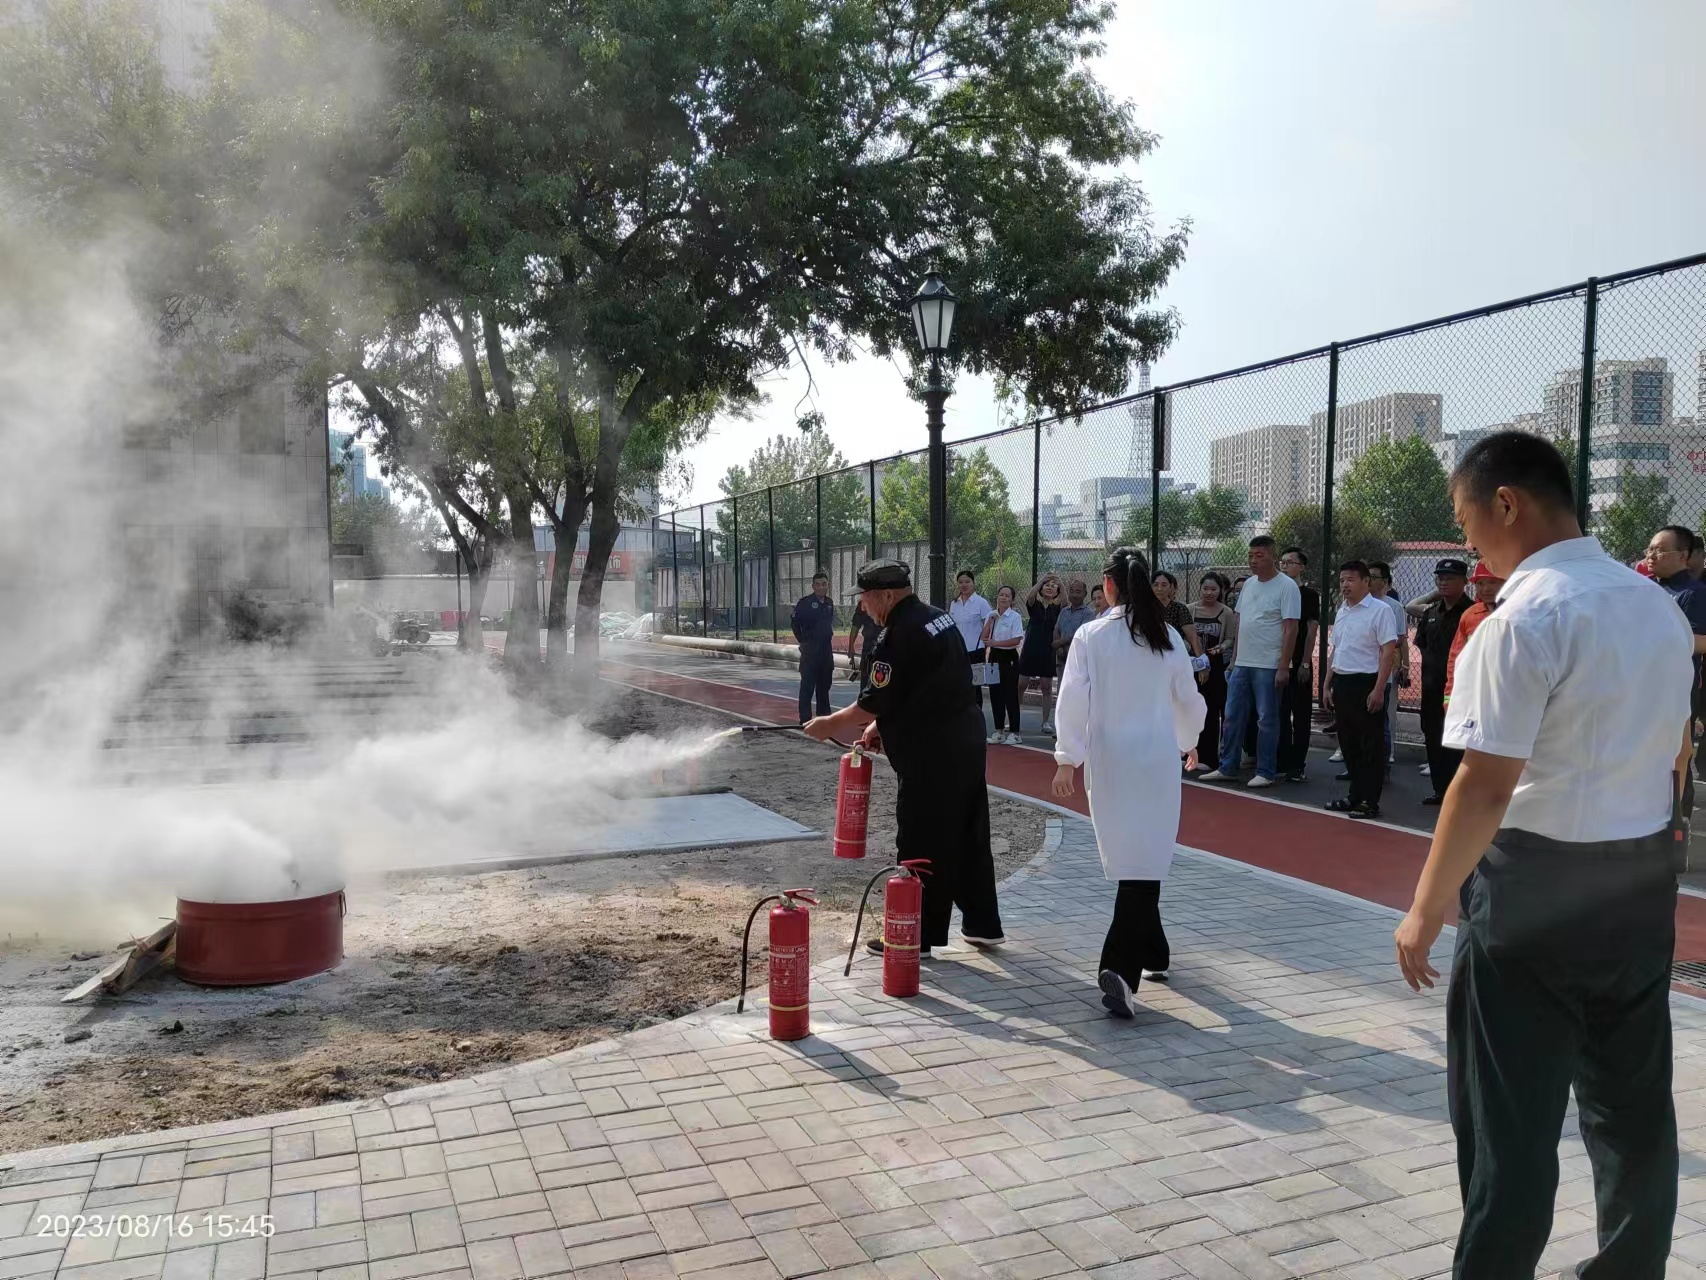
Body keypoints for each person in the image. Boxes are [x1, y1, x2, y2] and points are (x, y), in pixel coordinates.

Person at [1393, 431, 1694, 1280]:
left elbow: (1484, 787)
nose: (1469, 546)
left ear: (1506, 503)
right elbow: (1678, 750)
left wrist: (1425, 908)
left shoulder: (1524, 619)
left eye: (1466, 522)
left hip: (1533, 892)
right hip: (1640, 883)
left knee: (1510, 1127)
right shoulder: (1658, 611)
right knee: (1632, 1111)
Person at [803, 559, 1004, 955]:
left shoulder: (896, 635)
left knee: (920, 838)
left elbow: (871, 702)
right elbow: (924, 685)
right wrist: (882, 724)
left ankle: (916, 935)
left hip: (931, 754)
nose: (862, 606)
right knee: (968, 832)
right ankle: (983, 924)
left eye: (865, 597)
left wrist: (829, 724)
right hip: (965, 742)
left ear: (888, 595)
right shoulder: (938, 618)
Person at [1050, 547, 1205, 1018]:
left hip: (1110, 764)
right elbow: (1187, 700)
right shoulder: (1168, 636)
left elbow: (1071, 699)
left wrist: (1067, 759)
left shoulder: (1091, 636)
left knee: (1135, 862)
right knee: (1144, 860)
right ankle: (1147, 954)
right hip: (1157, 762)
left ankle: (1123, 967)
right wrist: (1188, 740)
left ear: (1108, 584)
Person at [1200, 536, 1300, 789]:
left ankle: (1265, 771)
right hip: (1243, 663)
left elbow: (1291, 629)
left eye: (1259, 555)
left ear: (1272, 557)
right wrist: (1234, 661)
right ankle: (1228, 766)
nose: (1253, 560)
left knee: (1267, 719)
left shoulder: (1287, 587)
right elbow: (1240, 623)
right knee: (1232, 716)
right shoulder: (1249, 586)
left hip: (1269, 664)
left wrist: (1283, 666)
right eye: (1250, 555)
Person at [1321, 561, 1399, 820]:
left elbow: (1388, 652)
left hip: (1366, 683)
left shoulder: (1381, 610)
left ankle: (1369, 800)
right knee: (1349, 743)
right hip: (1342, 682)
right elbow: (1336, 649)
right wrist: (1327, 684)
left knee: (1370, 745)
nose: (1345, 585)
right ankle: (1354, 795)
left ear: (1366, 582)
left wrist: (1378, 689)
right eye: (1342, 580)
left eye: (1351, 580)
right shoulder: (1342, 610)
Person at [1646, 525, 1706, 812]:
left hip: (1677, 688)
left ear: (1683, 555)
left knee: (1677, 754)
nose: (1651, 555)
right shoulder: (1647, 589)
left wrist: (1652, 639)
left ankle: (1679, 820)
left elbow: (1702, 641)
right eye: (1650, 549)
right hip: (1644, 685)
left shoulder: (1694, 593)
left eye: (1659, 550)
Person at [1433, 560, 1504, 798]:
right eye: (1480, 583)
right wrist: (1450, 697)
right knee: (1474, 752)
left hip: (1506, 698)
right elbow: (1456, 659)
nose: (1485, 589)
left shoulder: (1518, 612)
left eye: (1492, 583)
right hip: (1476, 698)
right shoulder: (1470, 615)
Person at [1407, 559, 1472, 806]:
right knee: (1434, 737)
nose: (1443, 583)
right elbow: (1423, 646)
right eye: (1440, 578)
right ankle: (1441, 790)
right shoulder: (1431, 613)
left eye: (1450, 578)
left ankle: (1460, 794)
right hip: (1432, 688)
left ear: (1465, 582)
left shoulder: (1473, 613)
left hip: (1461, 691)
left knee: (1459, 742)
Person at [1276, 548, 1321, 783]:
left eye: (1290, 562)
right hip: (1277, 661)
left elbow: (1312, 630)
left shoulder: (1309, 595)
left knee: (1301, 714)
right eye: (1282, 562)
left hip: (1299, 662)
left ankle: (1297, 765)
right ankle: (1282, 760)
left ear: (1301, 566)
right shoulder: (1276, 591)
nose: (1284, 566)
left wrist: (1304, 662)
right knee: (1280, 712)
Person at [1189, 573, 1239, 773]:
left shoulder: (1226, 612)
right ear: (1199, 588)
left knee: (1210, 711)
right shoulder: (1189, 609)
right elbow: (1183, 635)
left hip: (1215, 667)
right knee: (1190, 709)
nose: (1209, 593)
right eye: (1205, 588)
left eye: (1213, 589)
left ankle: (1208, 756)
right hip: (1192, 664)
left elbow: (1230, 638)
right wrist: (1193, 652)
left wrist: (1221, 647)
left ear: (1221, 591)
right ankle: (1188, 753)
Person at [1367, 561, 1410, 767]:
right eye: (1366, 576)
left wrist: (1404, 664)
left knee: (1385, 713)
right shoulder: (1353, 603)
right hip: (1360, 667)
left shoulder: (1394, 607)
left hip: (1384, 666)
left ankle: (1387, 753)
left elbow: (1401, 638)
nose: (1368, 580)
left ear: (1384, 582)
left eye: (1373, 577)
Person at [1018, 575, 1066, 735]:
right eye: (1047, 585)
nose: (1050, 587)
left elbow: (1065, 602)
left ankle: (1045, 722)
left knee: (1046, 687)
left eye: (1053, 586)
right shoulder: (1035, 605)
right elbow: (1031, 596)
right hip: (1030, 650)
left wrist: (1061, 584)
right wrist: (1041, 580)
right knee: (1021, 685)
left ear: (1057, 591)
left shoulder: (1058, 609)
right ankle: (1013, 718)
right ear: (1041, 588)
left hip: (1048, 651)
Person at [981, 585, 1026, 744]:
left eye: (1007, 596)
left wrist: (996, 643)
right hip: (994, 656)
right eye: (1001, 595)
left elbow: (1016, 640)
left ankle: (1015, 732)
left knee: (1010, 695)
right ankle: (998, 731)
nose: (1004, 598)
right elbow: (984, 637)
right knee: (995, 694)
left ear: (1012, 599)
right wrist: (990, 621)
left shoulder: (1015, 617)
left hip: (1009, 657)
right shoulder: (991, 615)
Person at [790, 570, 836, 724]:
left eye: (824, 584)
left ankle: (823, 717)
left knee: (824, 685)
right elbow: (795, 623)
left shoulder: (829, 603)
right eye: (818, 584)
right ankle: (805, 718)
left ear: (828, 585)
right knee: (808, 685)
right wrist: (803, 641)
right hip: (810, 650)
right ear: (813, 586)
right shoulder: (805, 603)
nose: (821, 587)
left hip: (825, 650)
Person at [948, 570, 995, 706]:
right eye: (961, 582)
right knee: (959, 684)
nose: (964, 585)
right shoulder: (954, 603)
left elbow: (990, 624)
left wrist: (987, 644)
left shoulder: (981, 603)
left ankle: (977, 714)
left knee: (976, 687)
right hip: (958, 651)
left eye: (967, 582)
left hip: (976, 651)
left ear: (973, 583)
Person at [1150, 571, 1200, 656]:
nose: (1159, 589)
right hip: (1151, 652)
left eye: (1164, 585)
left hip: (1175, 652)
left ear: (1170, 587)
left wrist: (1201, 658)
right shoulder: (1146, 608)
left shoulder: (1180, 608)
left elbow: (1193, 638)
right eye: (1156, 585)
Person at [1053, 578, 1095, 674]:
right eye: (1071, 591)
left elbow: (1080, 635)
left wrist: (1059, 643)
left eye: (1078, 592)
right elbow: (1057, 629)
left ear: (1085, 594)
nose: (1074, 595)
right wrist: (1059, 648)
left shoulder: (1089, 614)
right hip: (1061, 661)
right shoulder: (1064, 611)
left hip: (1078, 661)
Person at [847, 597, 883, 688]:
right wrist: (851, 646)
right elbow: (855, 625)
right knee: (866, 680)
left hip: (885, 646)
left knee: (882, 681)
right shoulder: (864, 602)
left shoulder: (889, 600)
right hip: (869, 646)